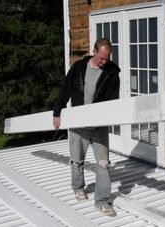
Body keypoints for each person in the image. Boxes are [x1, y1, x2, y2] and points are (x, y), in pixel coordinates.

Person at [52, 38, 120, 215]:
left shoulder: (112, 74)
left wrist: (98, 119)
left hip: (99, 126)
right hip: (78, 123)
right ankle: (78, 188)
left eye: (108, 58)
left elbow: (112, 103)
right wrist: (57, 112)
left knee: (103, 164)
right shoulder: (79, 68)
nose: (105, 62)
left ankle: (103, 201)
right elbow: (66, 89)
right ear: (94, 51)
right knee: (76, 160)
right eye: (102, 58)